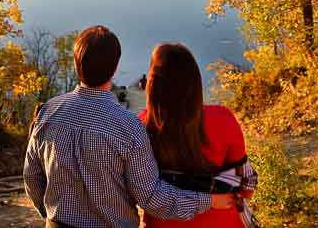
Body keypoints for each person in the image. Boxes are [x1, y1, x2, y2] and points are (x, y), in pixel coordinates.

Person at [23, 26, 235, 228]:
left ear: (77, 63)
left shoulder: (47, 113)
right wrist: (207, 201)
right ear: (115, 69)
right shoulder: (128, 126)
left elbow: (32, 178)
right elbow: (151, 198)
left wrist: (50, 214)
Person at [138, 43, 259, 228]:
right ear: (195, 83)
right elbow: (246, 189)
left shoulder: (141, 125)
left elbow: (140, 192)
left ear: (153, 84)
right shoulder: (222, 118)